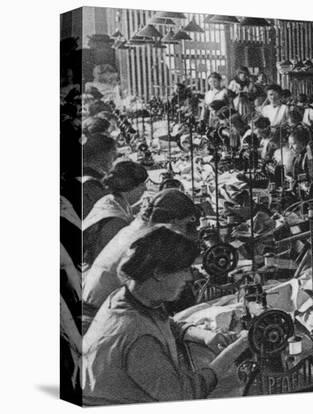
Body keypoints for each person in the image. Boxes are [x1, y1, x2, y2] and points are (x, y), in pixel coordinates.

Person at [82, 227, 249, 405]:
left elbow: (164, 323)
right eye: (184, 270)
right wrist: (234, 351)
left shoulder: (130, 297)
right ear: (159, 273)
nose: (189, 277)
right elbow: (184, 395)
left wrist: (205, 336)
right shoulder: (138, 337)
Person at [82, 189, 201, 331]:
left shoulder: (136, 227)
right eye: (184, 224)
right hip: (99, 318)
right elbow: (150, 294)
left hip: (97, 307)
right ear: (173, 221)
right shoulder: (147, 240)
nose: (184, 230)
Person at [83, 161, 148, 267]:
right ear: (131, 187)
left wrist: (135, 210)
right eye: (142, 185)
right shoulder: (115, 223)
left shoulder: (112, 199)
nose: (145, 189)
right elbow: (120, 262)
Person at [81, 133, 118, 218]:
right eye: (113, 152)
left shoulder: (90, 171)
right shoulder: (90, 182)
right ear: (102, 154)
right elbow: (106, 217)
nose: (115, 157)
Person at [288, 125, 313, 198]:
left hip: (312, 195)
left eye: (293, 144)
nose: (290, 147)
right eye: (289, 144)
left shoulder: (310, 154)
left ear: (302, 143)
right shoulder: (299, 155)